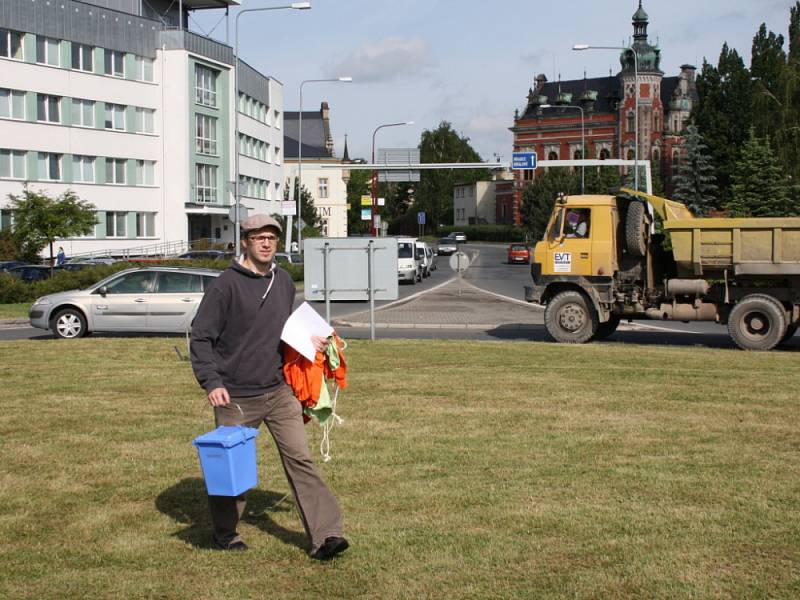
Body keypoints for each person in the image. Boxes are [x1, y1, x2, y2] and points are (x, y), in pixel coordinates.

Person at [190, 213, 348, 560]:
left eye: (271, 238)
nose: (265, 243)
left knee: (301, 459)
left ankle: (327, 535)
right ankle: (225, 533)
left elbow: (282, 329)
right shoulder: (225, 285)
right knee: (233, 471)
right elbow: (201, 338)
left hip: (278, 391)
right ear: (244, 241)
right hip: (235, 396)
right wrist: (212, 382)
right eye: (258, 237)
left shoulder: (283, 282)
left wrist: (309, 341)